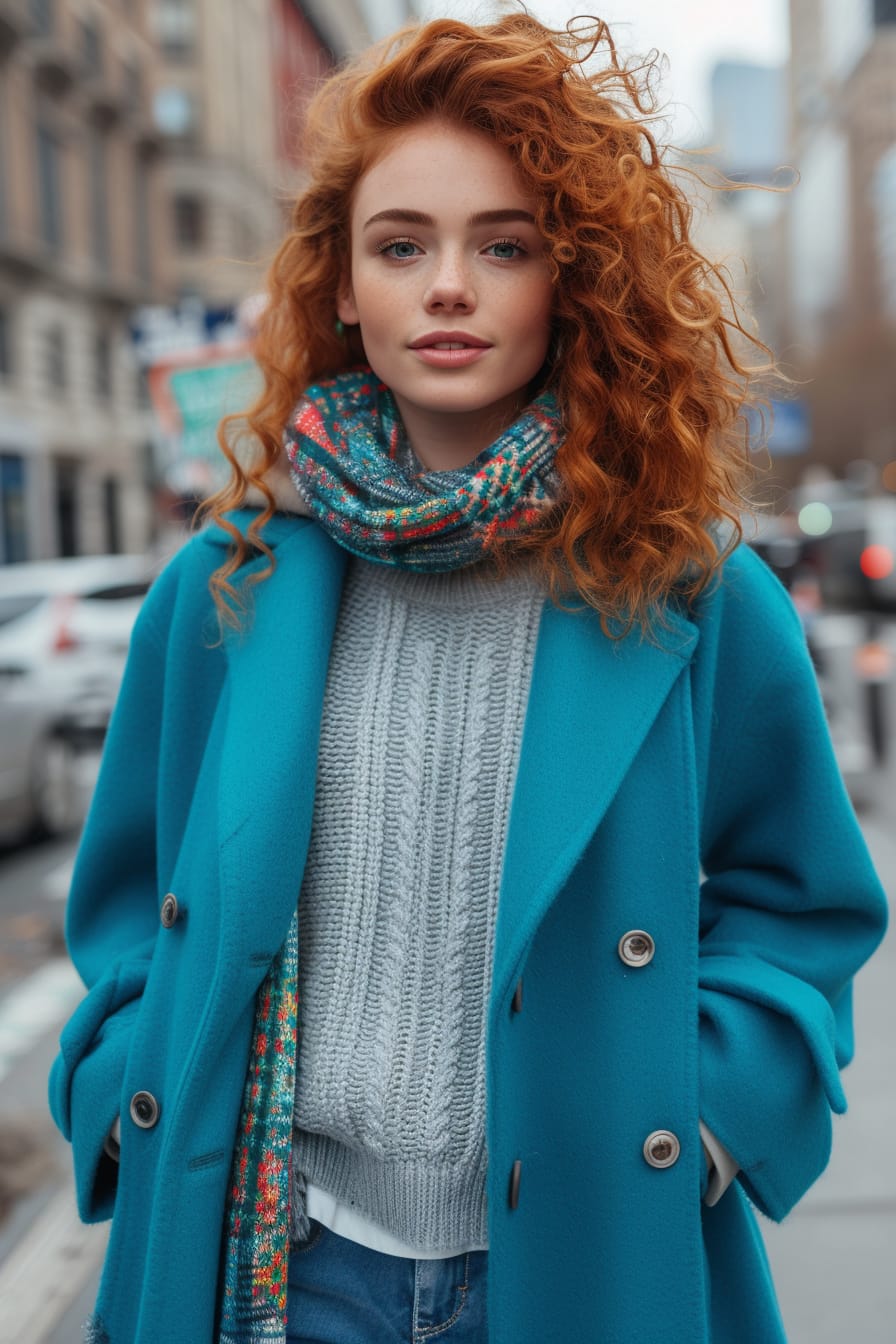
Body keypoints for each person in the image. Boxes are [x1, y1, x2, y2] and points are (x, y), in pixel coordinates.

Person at [49, 12, 887, 1344]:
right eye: (402, 246)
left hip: (581, 1261)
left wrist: (704, 1126)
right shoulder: (224, 589)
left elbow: (805, 909)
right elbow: (125, 917)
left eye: (504, 245)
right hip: (278, 1261)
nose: (449, 286)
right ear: (342, 286)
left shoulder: (692, 588)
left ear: (574, 281)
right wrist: (125, 1101)